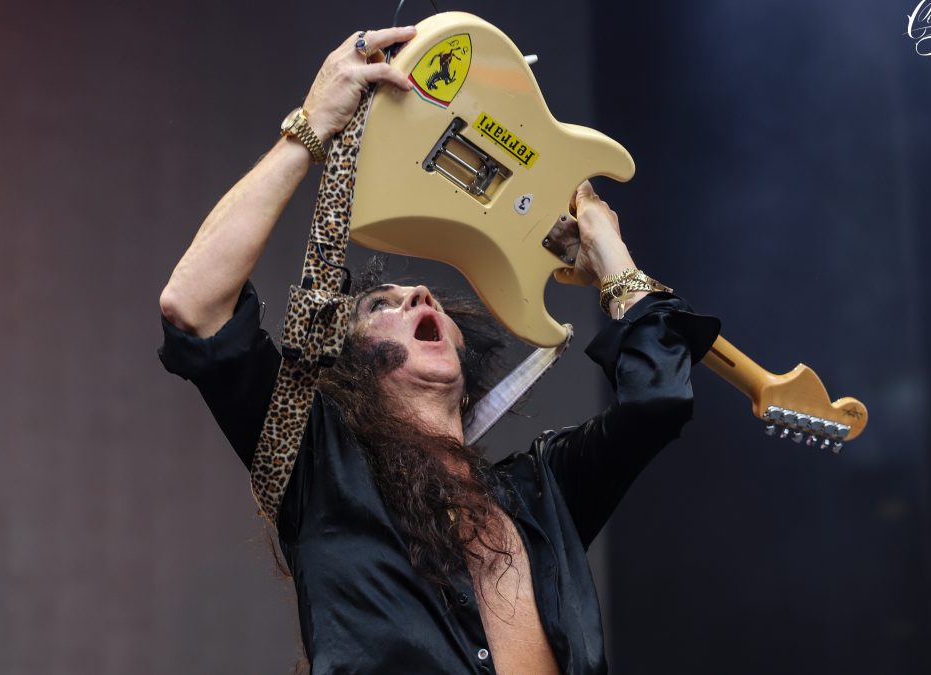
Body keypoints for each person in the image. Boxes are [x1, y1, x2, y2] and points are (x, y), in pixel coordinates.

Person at [158, 25, 720, 675]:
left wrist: (612, 260)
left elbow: (657, 398)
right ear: (347, 368)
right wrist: (309, 129)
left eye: (423, 298)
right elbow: (193, 305)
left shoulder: (543, 495)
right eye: (380, 306)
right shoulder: (319, 471)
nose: (419, 294)